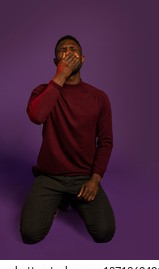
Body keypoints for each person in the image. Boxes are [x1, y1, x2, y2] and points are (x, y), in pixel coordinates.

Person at [20, 35, 115, 244]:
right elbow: (36, 117)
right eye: (63, 50)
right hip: (50, 177)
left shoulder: (99, 97)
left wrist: (95, 180)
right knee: (30, 234)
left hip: (84, 177)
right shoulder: (43, 92)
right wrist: (61, 77)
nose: (69, 52)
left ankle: (69, 199)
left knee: (104, 233)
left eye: (74, 49)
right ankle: (59, 200)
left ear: (83, 58)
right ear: (56, 61)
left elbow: (106, 141)